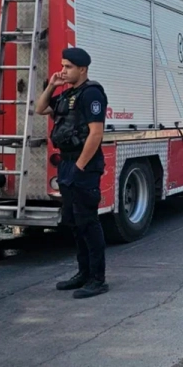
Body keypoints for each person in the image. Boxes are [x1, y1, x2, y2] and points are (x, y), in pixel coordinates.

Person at [35, 47, 109, 299]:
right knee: (75, 223)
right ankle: (83, 273)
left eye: (68, 67)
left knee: (88, 222)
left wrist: (79, 167)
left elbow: (95, 134)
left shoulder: (91, 94)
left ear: (83, 69)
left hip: (83, 165)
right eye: (63, 66)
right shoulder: (68, 95)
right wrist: (52, 86)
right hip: (66, 164)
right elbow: (40, 108)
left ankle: (97, 279)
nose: (63, 71)